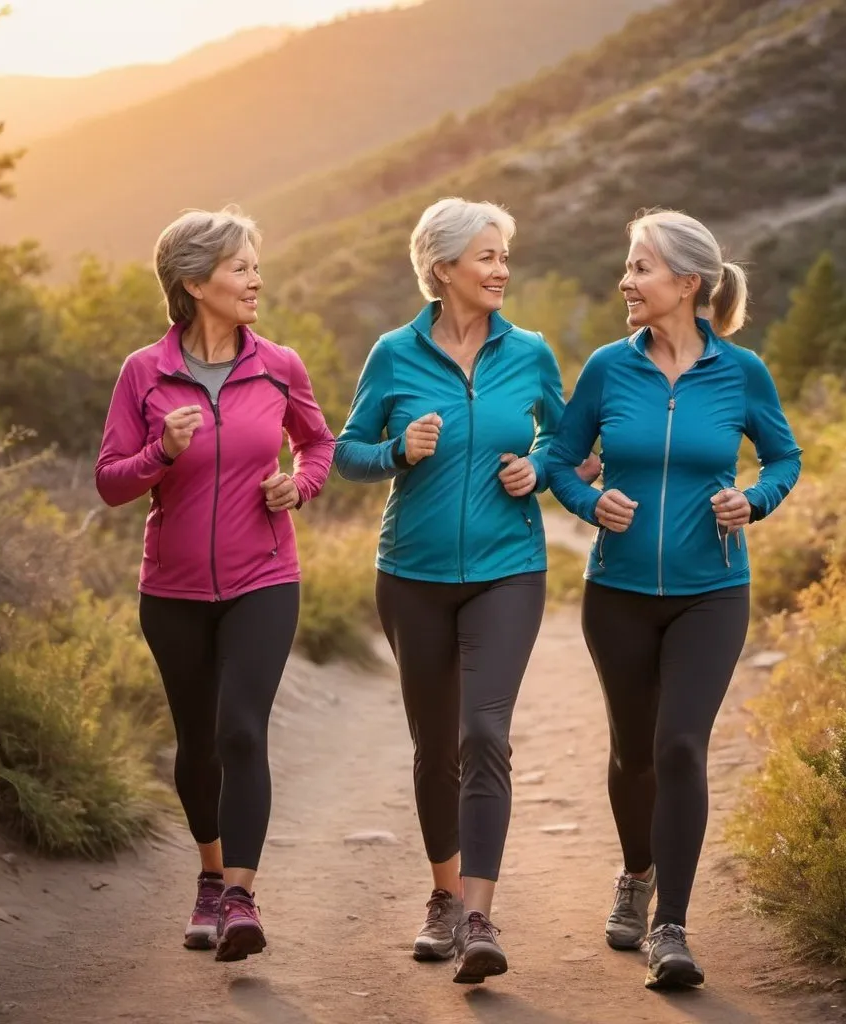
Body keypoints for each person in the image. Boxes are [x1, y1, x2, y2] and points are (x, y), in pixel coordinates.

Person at [546, 209, 801, 990]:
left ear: (688, 283)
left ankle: (672, 928)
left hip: (712, 591)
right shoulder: (605, 369)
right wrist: (591, 507)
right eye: (629, 267)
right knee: (633, 750)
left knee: (680, 745)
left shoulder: (742, 372)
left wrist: (753, 500)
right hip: (617, 591)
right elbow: (558, 459)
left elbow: (784, 456)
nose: (626, 280)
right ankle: (635, 873)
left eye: (641, 268)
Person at [334, 197, 583, 985]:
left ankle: (478, 915)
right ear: (442, 268)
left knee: (484, 732)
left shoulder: (531, 352)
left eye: (504, 255)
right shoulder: (393, 354)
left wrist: (538, 469)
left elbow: (570, 438)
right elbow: (346, 452)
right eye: (486, 256)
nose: (502, 269)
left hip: (510, 569)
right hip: (411, 575)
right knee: (434, 745)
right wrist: (397, 452)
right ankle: (442, 896)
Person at [94, 207, 335, 962]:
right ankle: (208, 876)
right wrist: (160, 454)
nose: (256, 279)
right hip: (172, 591)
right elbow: (109, 483)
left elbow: (318, 442)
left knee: (240, 730)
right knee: (197, 742)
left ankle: (239, 897)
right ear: (195, 282)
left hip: (266, 577)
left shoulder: (280, 365)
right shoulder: (145, 372)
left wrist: (300, 487)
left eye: (256, 266)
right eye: (240, 268)